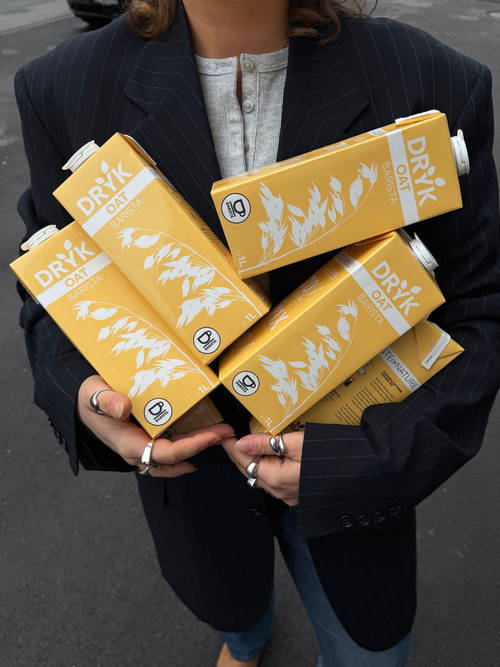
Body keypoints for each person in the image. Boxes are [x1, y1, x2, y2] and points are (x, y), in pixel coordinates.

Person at [14, 0, 500, 665]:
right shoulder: (62, 88)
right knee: (234, 611)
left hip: (355, 472)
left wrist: (370, 459)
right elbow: (50, 277)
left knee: (366, 654)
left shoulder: (431, 81)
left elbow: (479, 306)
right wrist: (83, 394)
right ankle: (244, 640)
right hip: (194, 486)